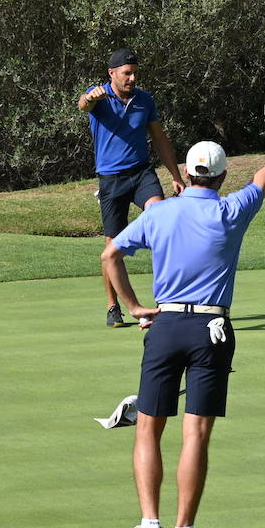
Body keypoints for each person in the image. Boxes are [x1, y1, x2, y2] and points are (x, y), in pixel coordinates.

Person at [102, 80, 265, 528]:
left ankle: (148, 527)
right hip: (212, 329)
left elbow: (110, 254)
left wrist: (133, 307)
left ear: (188, 174)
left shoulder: (160, 214)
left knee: (149, 426)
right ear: (219, 176)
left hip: (165, 326)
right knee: (196, 431)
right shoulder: (231, 210)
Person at [78, 48, 185, 329]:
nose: (132, 77)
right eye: (127, 73)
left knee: (159, 215)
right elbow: (82, 105)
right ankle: (114, 307)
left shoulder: (144, 100)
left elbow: (160, 139)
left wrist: (175, 175)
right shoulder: (99, 96)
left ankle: (168, 297)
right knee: (111, 244)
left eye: (135, 72)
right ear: (111, 74)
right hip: (111, 179)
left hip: (141, 173)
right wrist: (91, 98)